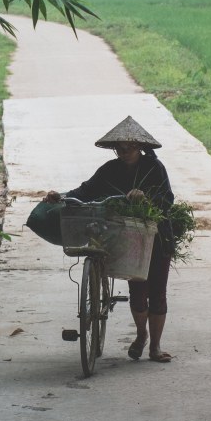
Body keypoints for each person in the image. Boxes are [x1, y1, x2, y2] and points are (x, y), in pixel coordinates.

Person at [44, 116, 176, 363]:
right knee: (138, 292)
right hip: (127, 238)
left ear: (140, 147)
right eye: (120, 148)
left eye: (130, 148)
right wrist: (60, 196)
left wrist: (145, 198)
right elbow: (85, 191)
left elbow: (167, 200)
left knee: (157, 292)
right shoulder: (109, 170)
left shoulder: (154, 168)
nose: (125, 153)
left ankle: (155, 347)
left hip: (157, 237)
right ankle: (141, 334)